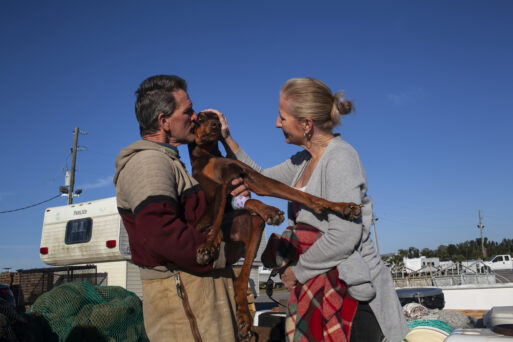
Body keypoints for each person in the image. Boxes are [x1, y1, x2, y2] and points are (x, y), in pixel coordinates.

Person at [217, 77, 409, 342]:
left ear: (306, 124)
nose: (276, 123)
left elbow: (343, 237)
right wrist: (227, 138)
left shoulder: (341, 158)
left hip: (350, 298)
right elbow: (260, 178)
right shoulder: (302, 161)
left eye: (282, 117)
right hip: (318, 288)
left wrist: (297, 271)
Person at [113, 75, 247, 342]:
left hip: (198, 299)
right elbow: (161, 235)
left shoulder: (171, 163)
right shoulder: (149, 163)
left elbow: (204, 221)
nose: (195, 116)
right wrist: (223, 255)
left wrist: (234, 202)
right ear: (164, 121)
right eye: (187, 111)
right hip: (185, 304)